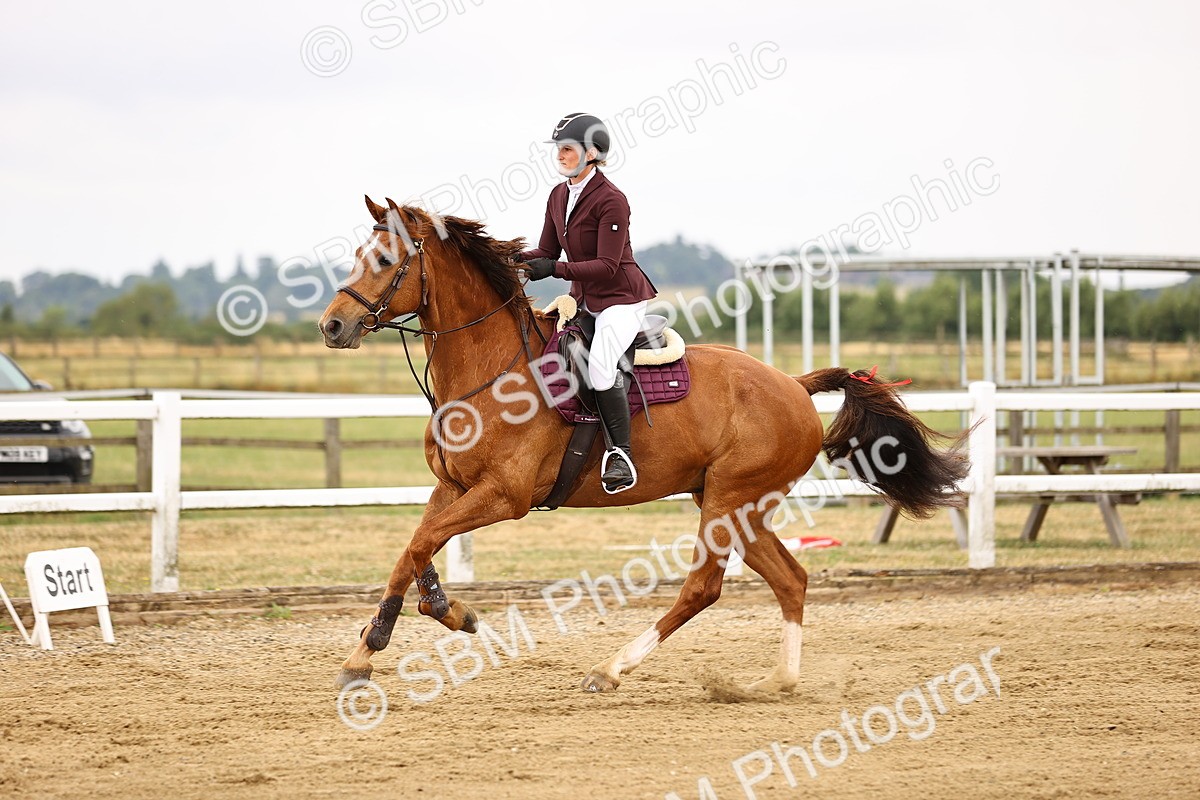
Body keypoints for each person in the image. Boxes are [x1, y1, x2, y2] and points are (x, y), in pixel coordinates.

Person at [517, 112, 658, 494]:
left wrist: (555, 270)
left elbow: (607, 265)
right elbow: (545, 250)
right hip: (584, 301)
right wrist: (508, 259)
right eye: (558, 149)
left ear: (592, 153)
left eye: (567, 149)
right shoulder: (559, 195)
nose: (559, 155)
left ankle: (620, 455)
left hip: (620, 301)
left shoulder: (611, 200)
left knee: (599, 368)